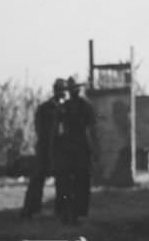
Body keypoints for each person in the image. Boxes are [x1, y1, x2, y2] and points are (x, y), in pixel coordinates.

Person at [21, 78, 68, 219]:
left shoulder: (65, 107)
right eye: (60, 90)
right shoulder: (45, 108)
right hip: (45, 147)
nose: (63, 93)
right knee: (37, 179)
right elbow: (40, 128)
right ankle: (30, 209)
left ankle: (61, 210)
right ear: (55, 91)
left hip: (59, 149)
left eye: (64, 90)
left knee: (63, 181)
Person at [60, 76, 97, 220]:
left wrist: (94, 148)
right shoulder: (66, 106)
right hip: (72, 147)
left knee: (81, 180)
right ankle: (73, 212)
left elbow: (92, 129)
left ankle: (79, 211)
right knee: (72, 182)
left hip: (79, 146)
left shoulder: (84, 106)